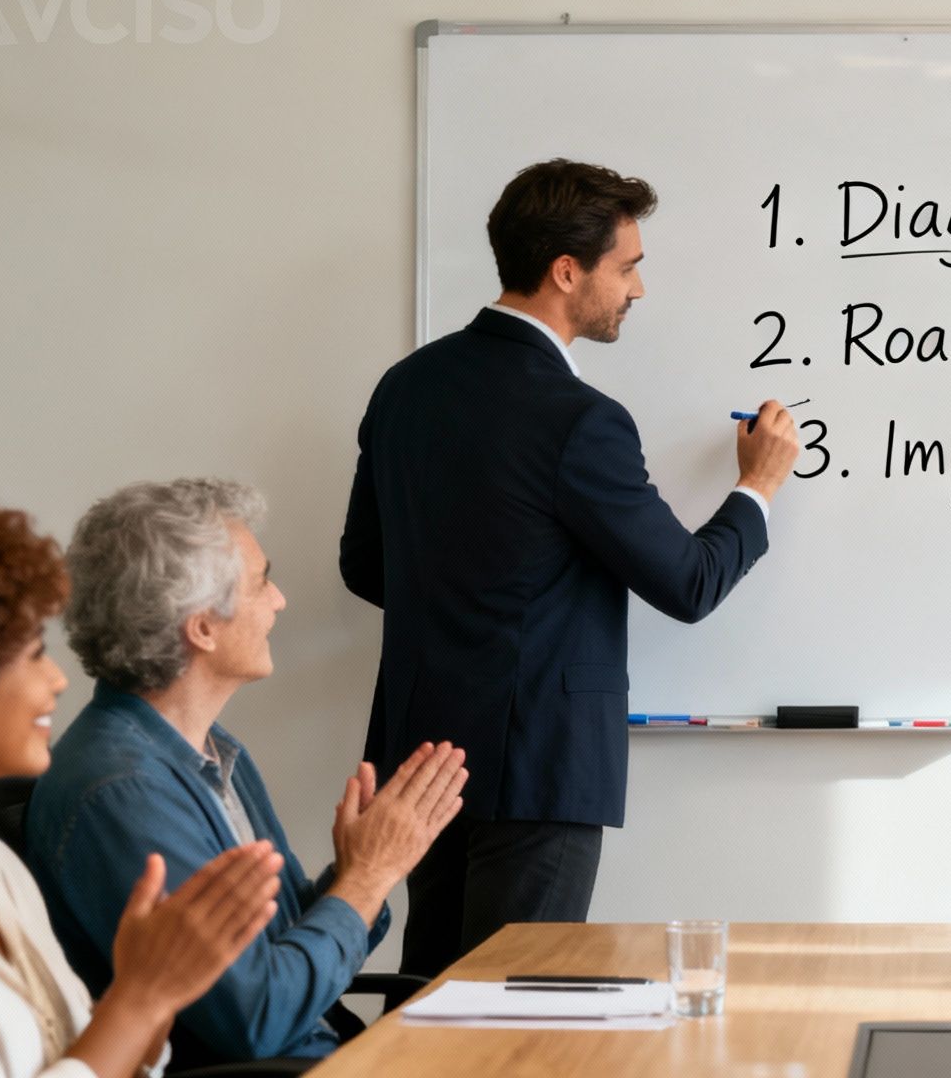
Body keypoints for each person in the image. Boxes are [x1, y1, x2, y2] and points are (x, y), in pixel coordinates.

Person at [340, 159, 802, 975]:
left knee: (429, 1005)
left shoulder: (404, 388)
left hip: (419, 763)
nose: (638, 290)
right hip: (541, 767)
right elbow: (690, 584)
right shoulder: (578, 421)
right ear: (566, 271)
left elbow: (366, 567)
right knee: (516, 1016)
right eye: (627, 267)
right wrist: (758, 486)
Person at [25, 480, 468, 1069]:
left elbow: (277, 950)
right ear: (202, 626)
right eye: (262, 581)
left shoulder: (213, 749)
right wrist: (367, 879)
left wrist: (364, 869)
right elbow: (257, 1018)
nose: (279, 600)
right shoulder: (125, 792)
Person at [0, 498, 281, 1078]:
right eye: (34, 652)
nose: (59, 677)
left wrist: (159, 986)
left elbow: (90, 1054)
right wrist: (143, 995)